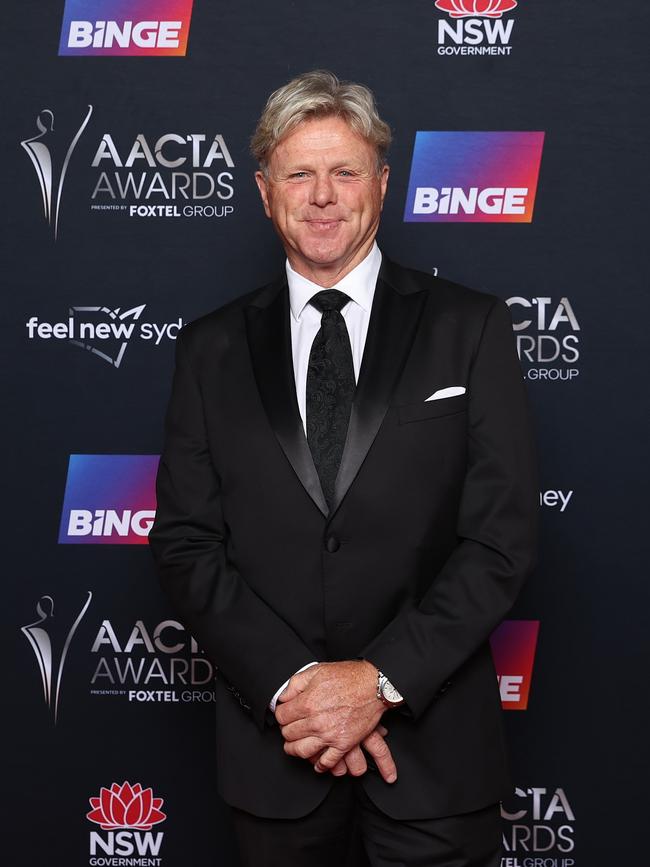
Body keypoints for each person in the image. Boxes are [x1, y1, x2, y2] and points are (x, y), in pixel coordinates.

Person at [149, 69, 538, 867]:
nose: (322, 195)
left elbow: (501, 539)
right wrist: (299, 686)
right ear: (265, 192)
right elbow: (187, 543)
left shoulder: (471, 327)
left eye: (345, 170)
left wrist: (377, 681)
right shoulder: (209, 349)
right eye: (299, 173)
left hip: (435, 761)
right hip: (277, 759)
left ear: (383, 184)